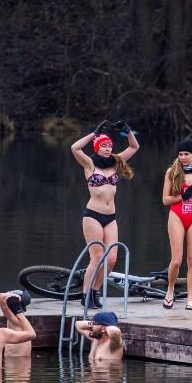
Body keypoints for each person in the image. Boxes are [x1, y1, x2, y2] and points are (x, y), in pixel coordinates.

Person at [70, 120, 139, 308]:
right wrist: (94, 134)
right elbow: (75, 148)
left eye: (110, 146)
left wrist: (128, 131)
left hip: (110, 218)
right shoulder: (90, 164)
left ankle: (95, 291)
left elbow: (134, 146)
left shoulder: (115, 163)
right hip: (93, 215)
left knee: (112, 259)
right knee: (97, 257)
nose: (108, 149)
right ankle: (84, 295)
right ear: (97, 148)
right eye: (104, 146)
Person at [161, 138, 192, 310]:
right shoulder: (171, 172)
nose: (183, 157)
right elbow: (166, 200)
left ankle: (190, 300)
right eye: (180, 154)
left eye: (186, 154)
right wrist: (185, 194)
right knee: (176, 260)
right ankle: (170, 290)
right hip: (177, 215)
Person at [0, 290, 33, 357]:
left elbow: (2, 296)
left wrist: (23, 298)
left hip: (18, 365)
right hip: (16, 363)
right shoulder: (17, 320)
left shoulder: (16, 319)